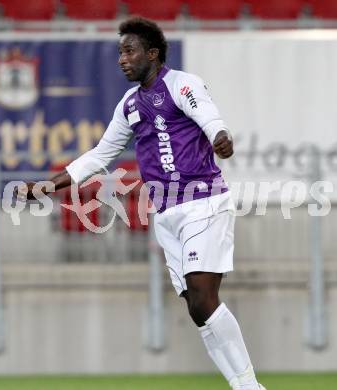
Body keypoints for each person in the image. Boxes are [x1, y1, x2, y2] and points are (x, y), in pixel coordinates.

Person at [17, 17, 265, 390]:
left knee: (203, 294)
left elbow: (210, 118)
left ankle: (248, 385)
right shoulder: (130, 104)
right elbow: (101, 154)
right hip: (165, 213)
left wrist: (220, 137)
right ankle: (243, 384)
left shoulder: (182, 84)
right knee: (197, 309)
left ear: (152, 54)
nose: (122, 58)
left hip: (204, 202)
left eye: (129, 50)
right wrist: (49, 186)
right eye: (120, 52)